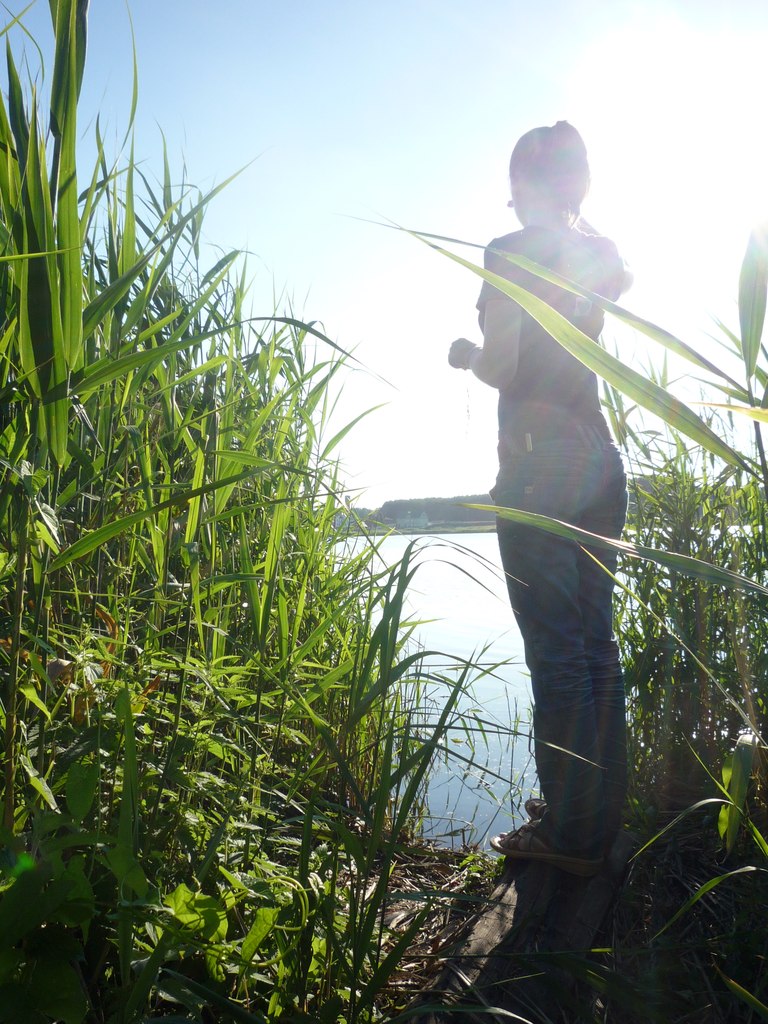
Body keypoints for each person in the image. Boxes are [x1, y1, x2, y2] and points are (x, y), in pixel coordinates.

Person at [448, 121, 632, 876]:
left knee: (557, 654)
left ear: (524, 181)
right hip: (600, 457)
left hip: (539, 461)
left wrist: (466, 354)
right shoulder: (600, 254)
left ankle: (569, 836)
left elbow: (505, 363)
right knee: (596, 645)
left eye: (514, 180)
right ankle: (591, 812)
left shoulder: (509, 251)